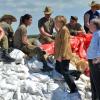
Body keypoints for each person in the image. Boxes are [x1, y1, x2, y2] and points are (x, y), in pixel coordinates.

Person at [54, 16, 81, 96]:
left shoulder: (64, 30)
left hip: (64, 55)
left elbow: (65, 44)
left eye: (56, 21)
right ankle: (76, 73)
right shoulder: (60, 30)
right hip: (59, 54)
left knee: (65, 72)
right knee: (58, 68)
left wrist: (61, 56)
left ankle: (74, 89)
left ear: (61, 22)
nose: (55, 23)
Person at [87, 18, 100, 100]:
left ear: (95, 25)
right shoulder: (95, 34)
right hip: (92, 61)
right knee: (93, 83)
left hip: (96, 61)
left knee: (97, 83)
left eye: (90, 24)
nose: (88, 25)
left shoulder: (98, 34)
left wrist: (98, 58)